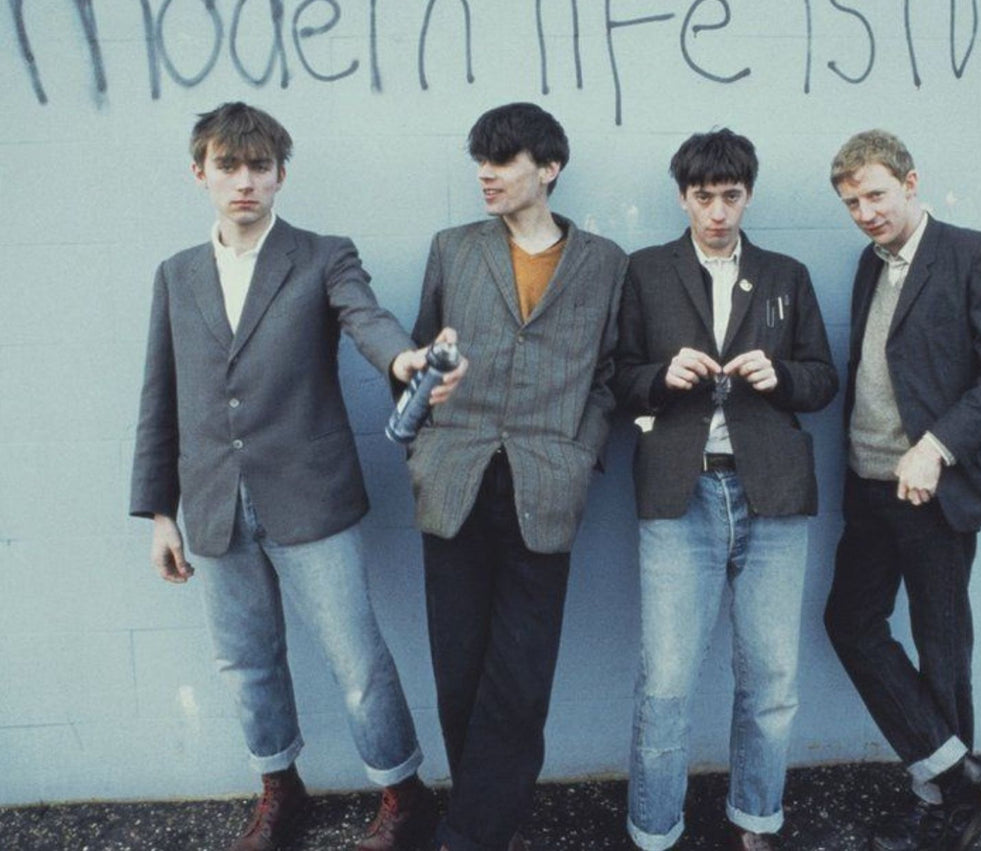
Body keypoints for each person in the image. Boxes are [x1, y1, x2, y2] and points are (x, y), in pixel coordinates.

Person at [129, 102, 465, 851]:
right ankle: (280, 788)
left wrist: (405, 360)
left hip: (309, 497)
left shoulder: (321, 255)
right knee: (246, 661)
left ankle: (404, 795)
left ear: (281, 173)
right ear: (200, 174)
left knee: (357, 657)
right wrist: (159, 513)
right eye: (228, 166)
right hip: (214, 503)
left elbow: (367, 318)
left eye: (258, 167)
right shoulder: (176, 274)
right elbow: (163, 394)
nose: (244, 181)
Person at [406, 102, 628, 851]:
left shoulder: (604, 261)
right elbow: (414, 355)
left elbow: (609, 375)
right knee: (459, 673)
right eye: (480, 161)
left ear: (549, 168)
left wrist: (579, 452)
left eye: (501, 162)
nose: (486, 175)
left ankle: (468, 836)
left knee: (521, 679)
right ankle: (484, 825)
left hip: (546, 482)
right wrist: (423, 437)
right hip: (456, 479)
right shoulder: (452, 247)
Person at [612, 129, 839, 851]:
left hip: (772, 492)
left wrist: (784, 378)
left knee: (771, 676)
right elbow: (616, 379)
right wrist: (657, 376)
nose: (716, 211)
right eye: (703, 196)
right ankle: (654, 830)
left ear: (748, 194)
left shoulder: (785, 273)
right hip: (681, 497)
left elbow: (822, 379)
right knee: (666, 681)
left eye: (731, 196)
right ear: (683, 196)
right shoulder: (645, 272)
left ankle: (756, 822)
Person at [822, 129, 981, 851]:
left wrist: (936, 448)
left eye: (876, 195)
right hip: (868, 484)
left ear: (912, 183)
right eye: (853, 201)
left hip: (933, 490)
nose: (866, 212)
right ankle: (958, 775)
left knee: (941, 647)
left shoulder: (976, 255)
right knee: (850, 623)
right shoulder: (868, 263)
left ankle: (946, 813)